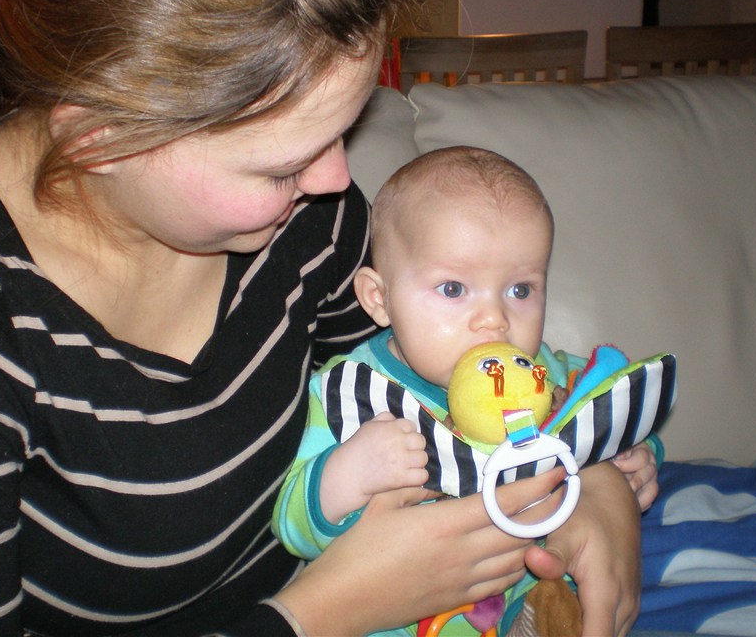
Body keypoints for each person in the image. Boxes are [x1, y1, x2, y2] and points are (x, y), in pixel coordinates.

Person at [0, 0, 642, 635]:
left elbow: (422, 381)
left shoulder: (302, 223)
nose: (337, 183)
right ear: (100, 139)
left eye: (343, 132)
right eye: (281, 165)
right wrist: (330, 611)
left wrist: (589, 476)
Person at [273, 147, 662, 635]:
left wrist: (636, 456)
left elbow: (610, 407)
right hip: (390, 616)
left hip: (519, 591)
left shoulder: (543, 373)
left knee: (566, 592)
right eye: (454, 289)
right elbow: (293, 528)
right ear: (379, 299)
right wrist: (347, 473)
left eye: (520, 290)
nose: (495, 319)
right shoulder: (352, 392)